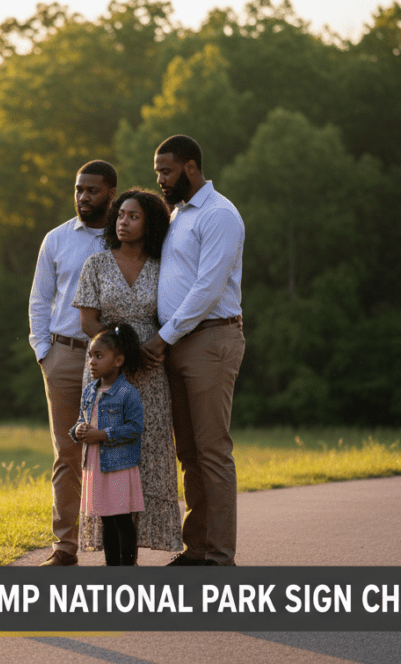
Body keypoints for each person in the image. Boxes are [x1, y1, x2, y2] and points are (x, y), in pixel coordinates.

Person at [142, 135, 245, 567]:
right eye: (157, 173)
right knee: (189, 452)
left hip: (210, 338)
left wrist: (163, 338)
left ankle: (219, 556)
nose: (160, 181)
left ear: (189, 167)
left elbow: (207, 288)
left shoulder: (219, 214)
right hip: (179, 343)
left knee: (212, 450)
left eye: (165, 171)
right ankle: (196, 548)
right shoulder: (178, 215)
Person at [72, 189, 183, 557]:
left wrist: (147, 354)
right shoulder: (97, 264)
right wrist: (121, 356)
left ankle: (132, 555)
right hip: (107, 373)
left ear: (149, 222)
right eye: (120, 215)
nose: (123, 221)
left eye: (133, 216)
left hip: (151, 373)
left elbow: (170, 316)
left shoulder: (163, 265)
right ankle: (115, 562)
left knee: (146, 456)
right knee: (109, 457)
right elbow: (88, 320)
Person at [28, 159, 118, 567]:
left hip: (113, 361)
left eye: (92, 190)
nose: (83, 197)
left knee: (115, 451)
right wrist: (44, 352)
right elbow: (39, 299)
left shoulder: (126, 236)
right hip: (64, 357)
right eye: (79, 190)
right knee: (67, 455)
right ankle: (65, 548)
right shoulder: (57, 239)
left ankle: (118, 549)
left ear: (110, 193)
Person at [70, 323, 146, 566]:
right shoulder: (89, 391)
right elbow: (83, 421)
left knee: (121, 519)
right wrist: (78, 430)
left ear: (118, 361)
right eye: (90, 356)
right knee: (105, 519)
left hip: (119, 465)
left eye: (99, 356)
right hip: (96, 464)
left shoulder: (127, 393)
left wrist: (103, 435)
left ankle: (127, 567)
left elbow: (134, 428)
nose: (91, 361)